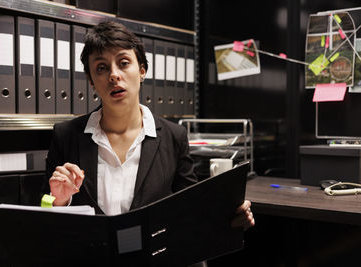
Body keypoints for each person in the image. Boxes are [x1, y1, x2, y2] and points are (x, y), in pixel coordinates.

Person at [43, 21, 254, 230]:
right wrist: (59, 200)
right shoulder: (66, 136)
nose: (114, 75)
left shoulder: (174, 137)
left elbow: (192, 209)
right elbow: (43, 212)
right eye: (101, 68)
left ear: (142, 70)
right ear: (91, 80)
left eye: (124, 63)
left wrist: (231, 212)